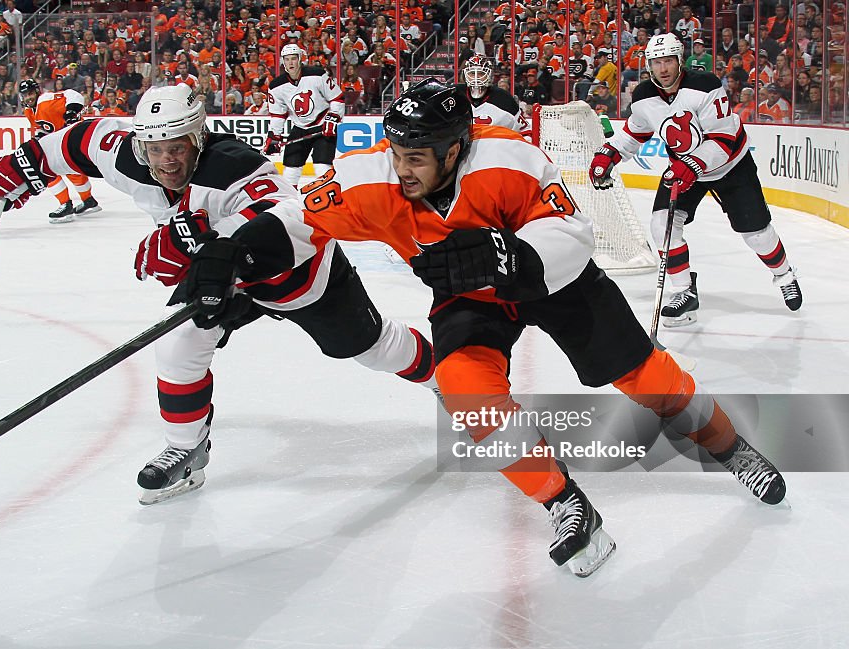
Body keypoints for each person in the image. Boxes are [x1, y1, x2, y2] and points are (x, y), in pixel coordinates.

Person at [174, 78, 787, 577]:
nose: (403, 168)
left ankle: (732, 449)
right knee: (467, 392)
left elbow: (572, 235)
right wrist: (233, 254)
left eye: (418, 156)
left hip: (552, 281)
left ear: (455, 148)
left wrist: (510, 257)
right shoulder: (369, 180)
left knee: (643, 375)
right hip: (469, 299)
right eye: (397, 151)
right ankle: (564, 502)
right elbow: (295, 222)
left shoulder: (510, 160)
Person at [0, 85, 439, 506]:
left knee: (371, 348)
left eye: (177, 148)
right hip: (211, 269)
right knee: (179, 344)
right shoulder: (125, 155)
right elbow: (75, 141)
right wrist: (22, 165)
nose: (166, 161)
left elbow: (290, 213)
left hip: (292, 273)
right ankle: (185, 447)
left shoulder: (234, 165)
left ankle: (453, 380)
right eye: (155, 149)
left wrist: (221, 248)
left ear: (197, 140)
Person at [589, 33, 802, 325]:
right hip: (685, 169)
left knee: (756, 233)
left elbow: (724, 139)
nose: (662, 68)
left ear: (680, 61)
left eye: (668, 61)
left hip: (731, 166)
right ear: (649, 66)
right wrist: (609, 154)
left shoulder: (705, 87)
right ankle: (685, 293)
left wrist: (692, 164)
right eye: (656, 62)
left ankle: (784, 274)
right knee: (662, 223)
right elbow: (635, 132)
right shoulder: (643, 97)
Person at [20, 78, 101, 223]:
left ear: (37, 91)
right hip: (65, 140)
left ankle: (65, 205)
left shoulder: (45, 101)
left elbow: (73, 94)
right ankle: (88, 200)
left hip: (74, 137)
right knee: (72, 171)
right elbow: (44, 128)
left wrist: (71, 112)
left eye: (30, 93)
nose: (28, 97)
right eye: (25, 95)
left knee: (45, 169)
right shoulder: (28, 111)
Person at [263, 44, 344, 186]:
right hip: (299, 127)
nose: (290, 63)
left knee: (322, 167)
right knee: (290, 170)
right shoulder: (276, 86)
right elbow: (278, 115)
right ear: (283, 61)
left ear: (300, 59)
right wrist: (274, 137)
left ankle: (328, 200)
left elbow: (337, 98)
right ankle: (290, 203)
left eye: (293, 58)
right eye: (287, 59)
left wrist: (333, 118)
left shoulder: (317, 75)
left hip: (322, 126)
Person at [456, 55, 527, 132]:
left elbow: (524, 130)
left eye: (481, 73)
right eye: (472, 73)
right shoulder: (455, 94)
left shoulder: (504, 98)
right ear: (466, 74)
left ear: (489, 75)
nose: (476, 77)